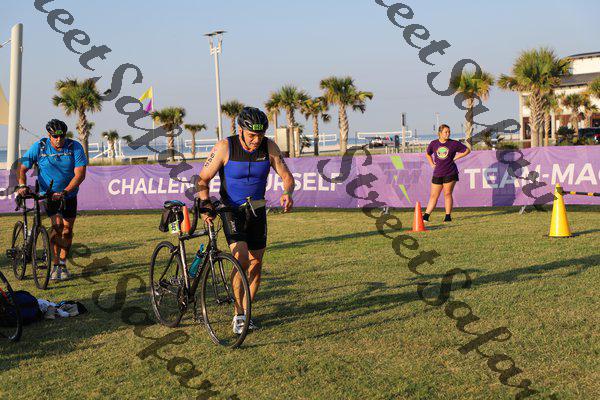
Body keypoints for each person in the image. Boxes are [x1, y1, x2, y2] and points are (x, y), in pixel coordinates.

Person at [197, 107, 295, 334]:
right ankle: (239, 314)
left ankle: (247, 312)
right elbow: (202, 179)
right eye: (252, 135)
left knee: (256, 264)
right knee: (240, 259)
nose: (256, 140)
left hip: (257, 210)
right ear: (240, 130)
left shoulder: (269, 147)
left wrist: (287, 192)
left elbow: (287, 177)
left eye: (260, 135)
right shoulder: (225, 147)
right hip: (231, 211)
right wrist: (205, 203)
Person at [16, 119, 87, 280]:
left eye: (62, 136)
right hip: (48, 194)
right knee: (57, 226)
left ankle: (62, 264)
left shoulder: (74, 147)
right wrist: (22, 185)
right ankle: (54, 265)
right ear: (49, 135)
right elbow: (22, 167)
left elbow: (80, 174)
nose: (59, 139)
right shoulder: (39, 147)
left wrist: (65, 191)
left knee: (67, 230)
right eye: (55, 136)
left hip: (69, 194)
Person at [423, 124, 470, 222]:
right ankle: (426, 216)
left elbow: (467, 150)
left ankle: (448, 216)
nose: (448, 134)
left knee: (447, 194)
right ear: (440, 133)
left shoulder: (454, 143)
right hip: (437, 173)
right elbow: (428, 154)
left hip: (450, 172)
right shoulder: (434, 143)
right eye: (445, 132)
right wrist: (431, 163)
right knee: (433, 195)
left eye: (449, 132)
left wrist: (456, 157)